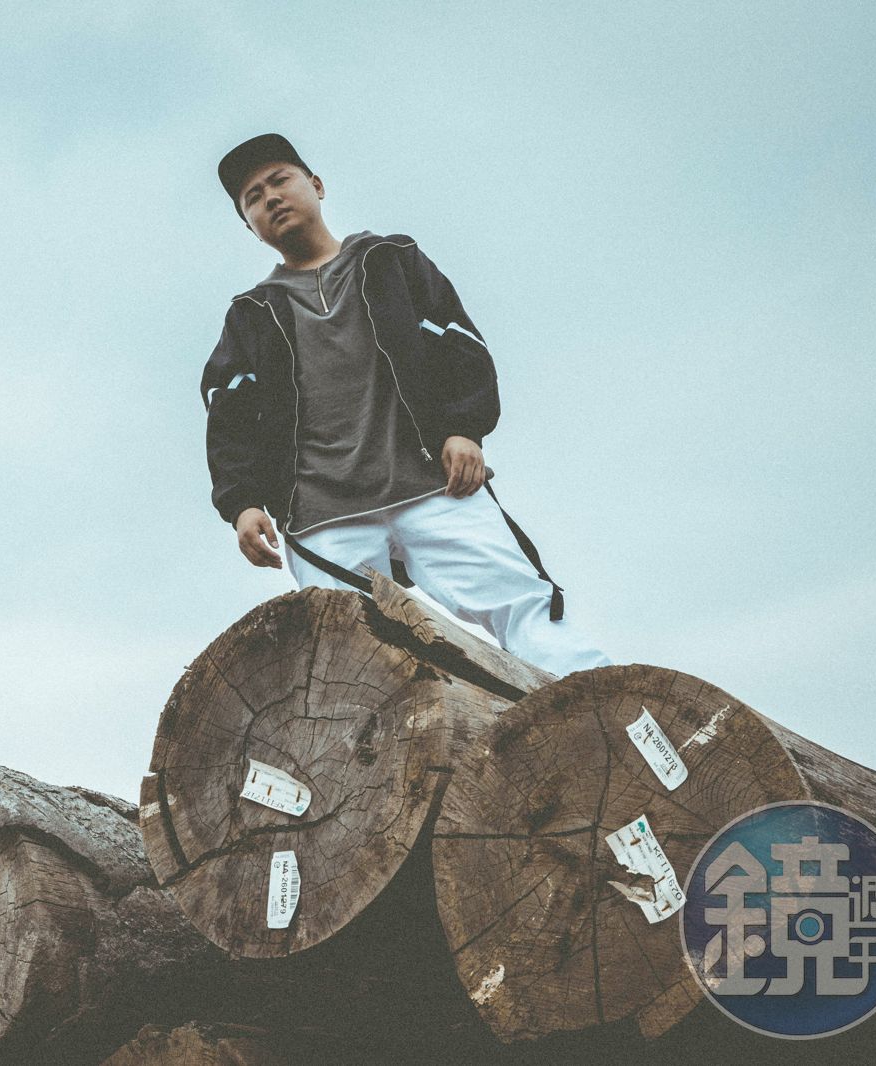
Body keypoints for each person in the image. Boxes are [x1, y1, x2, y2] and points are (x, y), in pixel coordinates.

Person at [201, 134, 610, 676]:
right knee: (348, 662)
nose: (270, 197)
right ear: (250, 226)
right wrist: (243, 503)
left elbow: (459, 341)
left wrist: (464, 428)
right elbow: (228, 415)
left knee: (526, 609)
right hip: (323, 516)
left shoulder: (390, 260)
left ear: (316, 185)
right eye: (253, 197)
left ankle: (622, 714)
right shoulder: (251, 314)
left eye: (280, 180)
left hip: (436, 485)